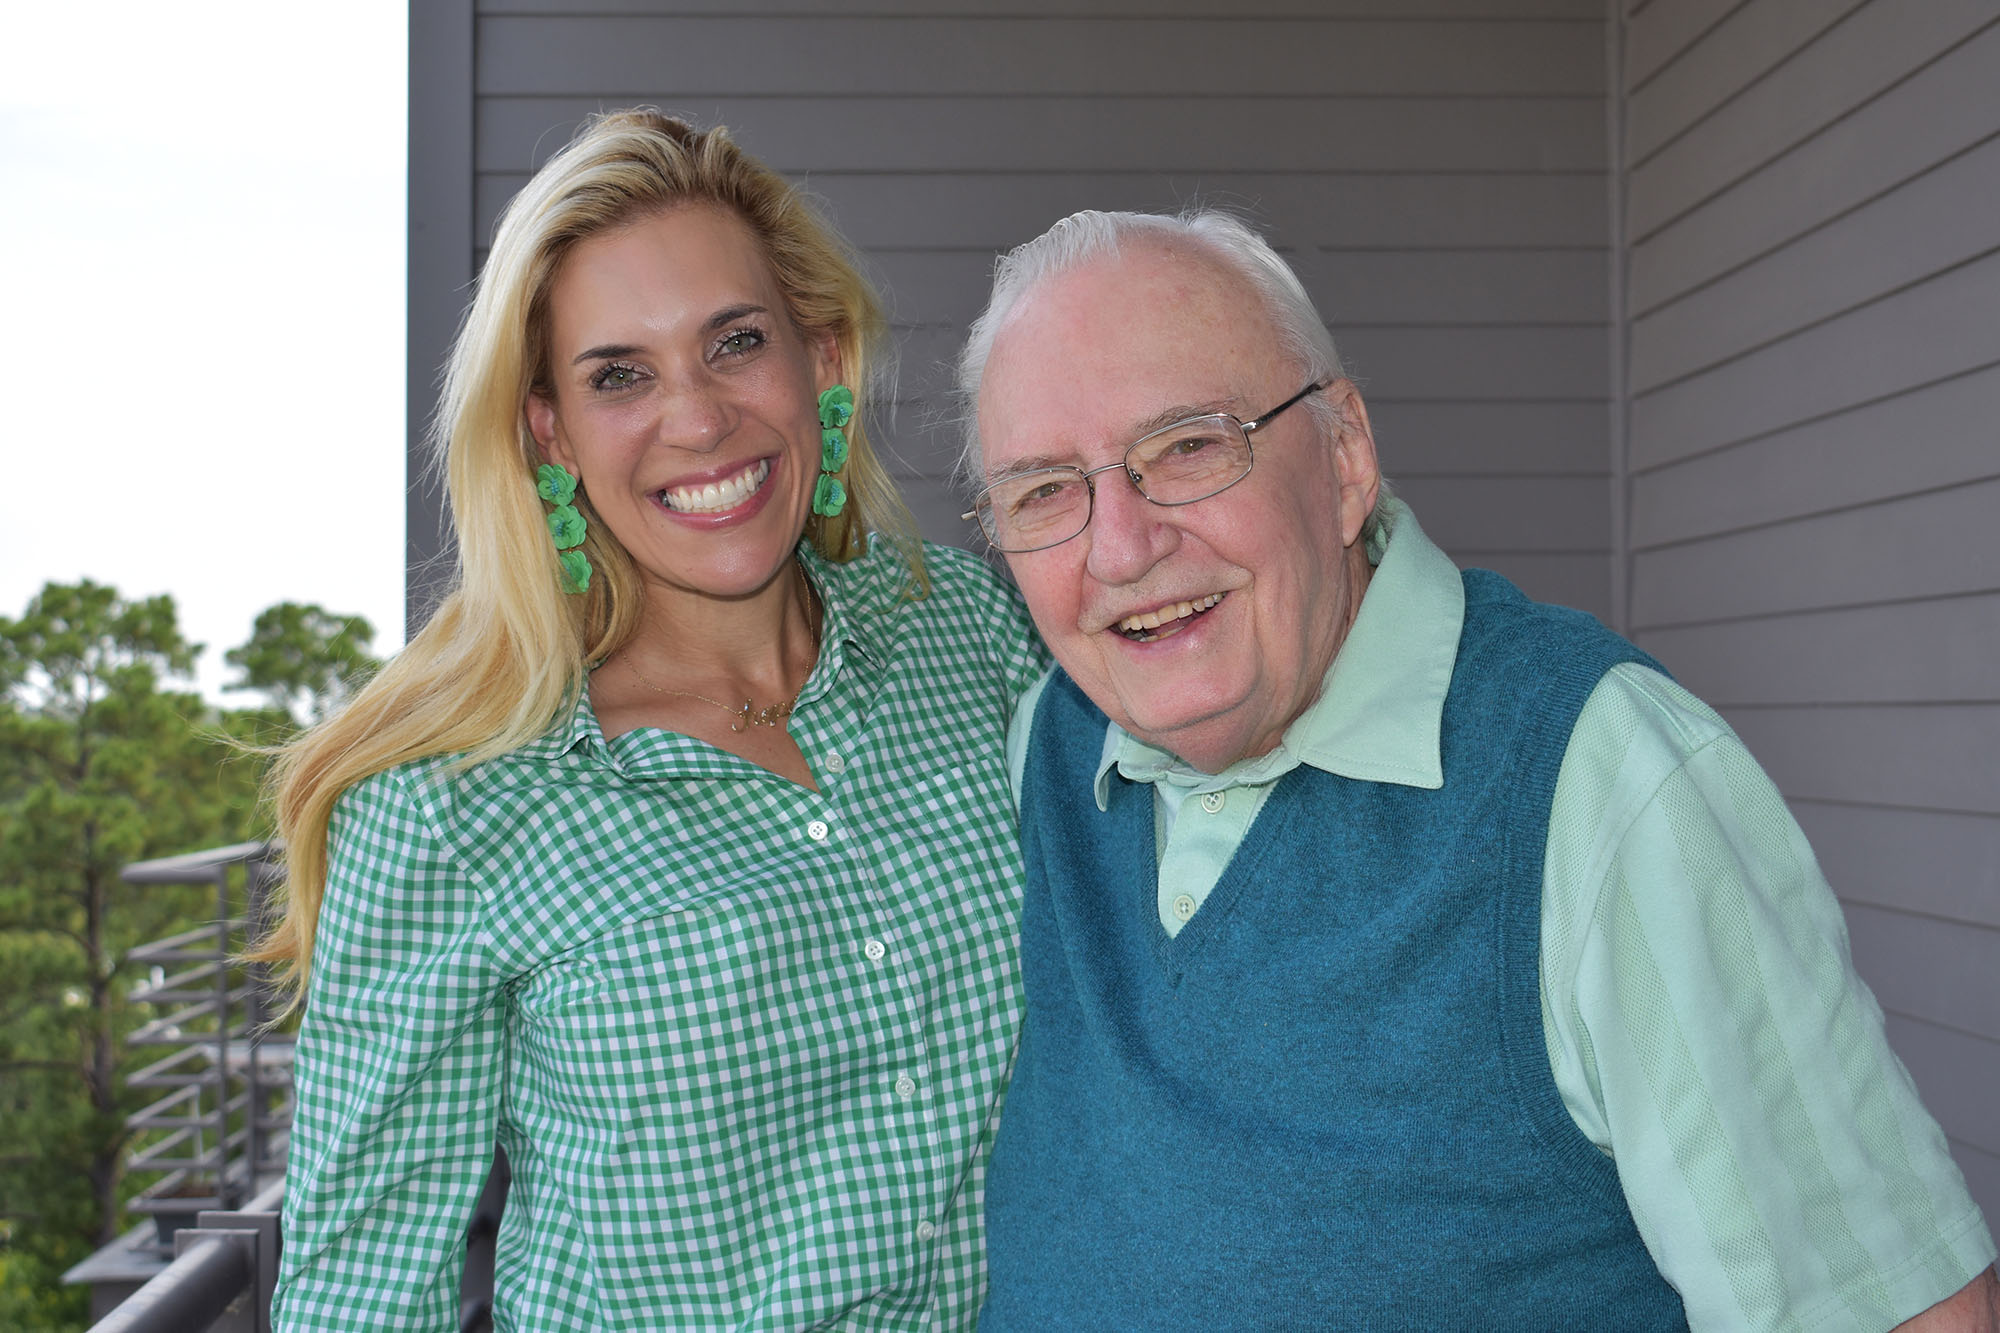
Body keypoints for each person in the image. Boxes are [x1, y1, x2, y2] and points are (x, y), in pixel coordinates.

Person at [956, 208, 1999, 1331]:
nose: (1119, 547)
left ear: (1344, 455)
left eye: (1188, 446)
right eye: (1044, 492)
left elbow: (1898, 1313)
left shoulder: (1596, 778)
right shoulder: (1047, 750)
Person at [261, 110, 1044, 1330]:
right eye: (618, 374)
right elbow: (362, 1294)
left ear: (821, 364)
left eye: (734, 344)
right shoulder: (448, 808)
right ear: (550, 437)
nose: (695, 418)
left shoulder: (965, 637)